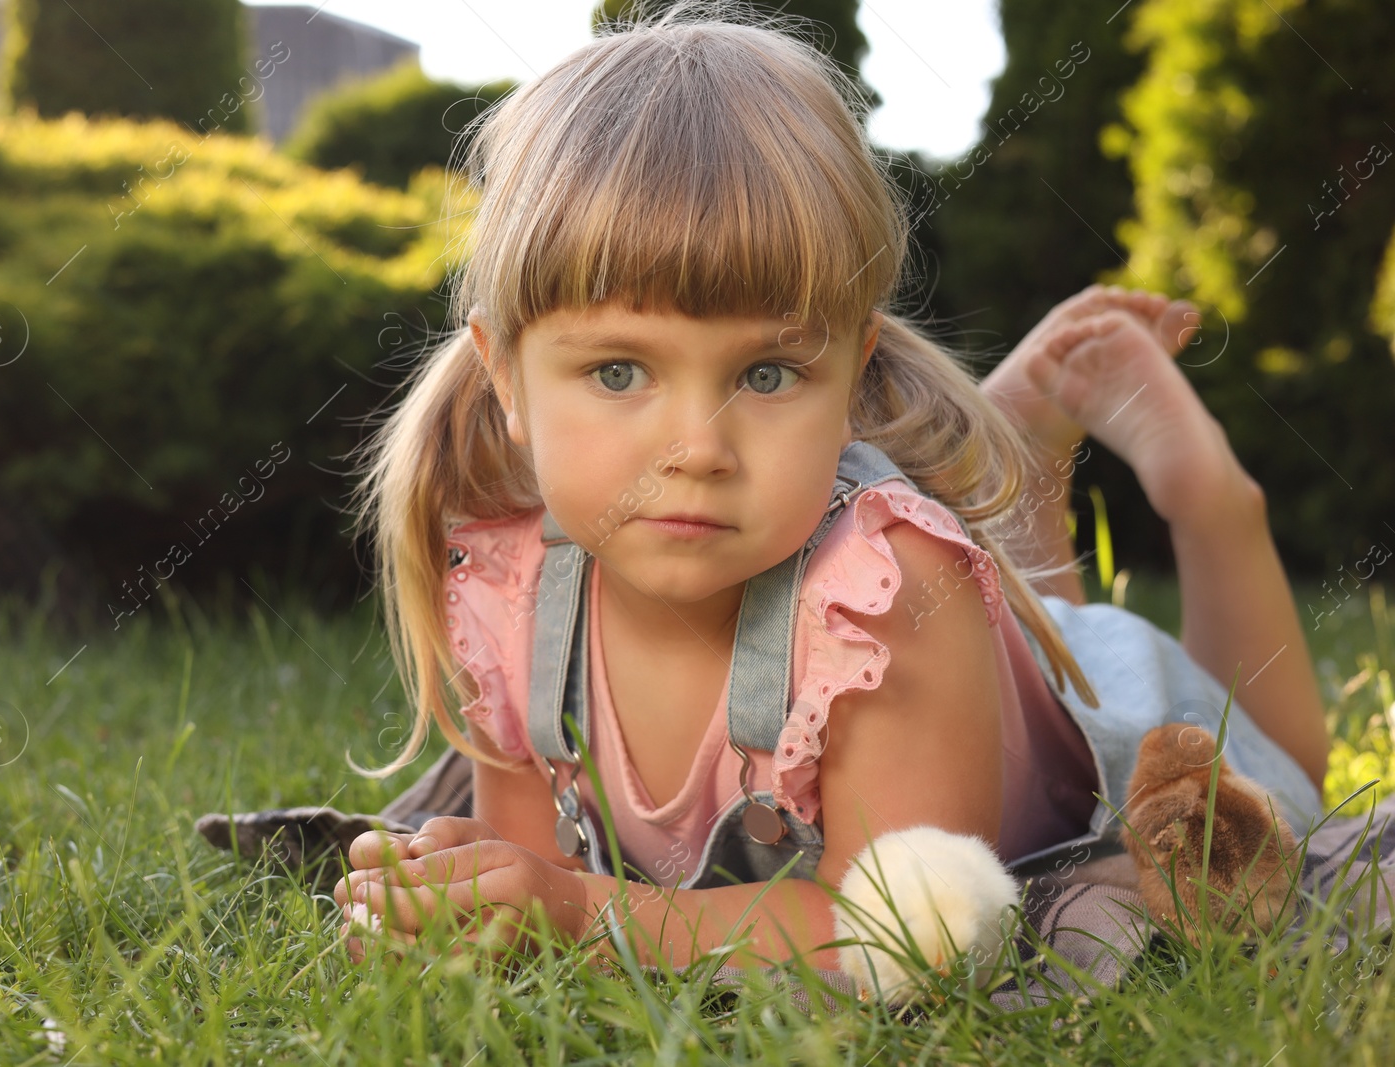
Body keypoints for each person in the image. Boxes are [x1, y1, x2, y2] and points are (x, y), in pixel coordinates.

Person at [329, 3, 1328, 975]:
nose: (697, 448)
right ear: (504, 374)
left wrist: (577, 910)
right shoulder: (506, 586)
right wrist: (468, 887)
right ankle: (1018, 468)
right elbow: (549, 867)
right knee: (1034, 615)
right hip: (981, 671)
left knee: (1283, 777)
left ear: (850, 373)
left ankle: (1207, 497)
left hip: (1104, 725)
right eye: (619, 371)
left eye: (764, 375)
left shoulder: (885, 593)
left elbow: (894, 929)